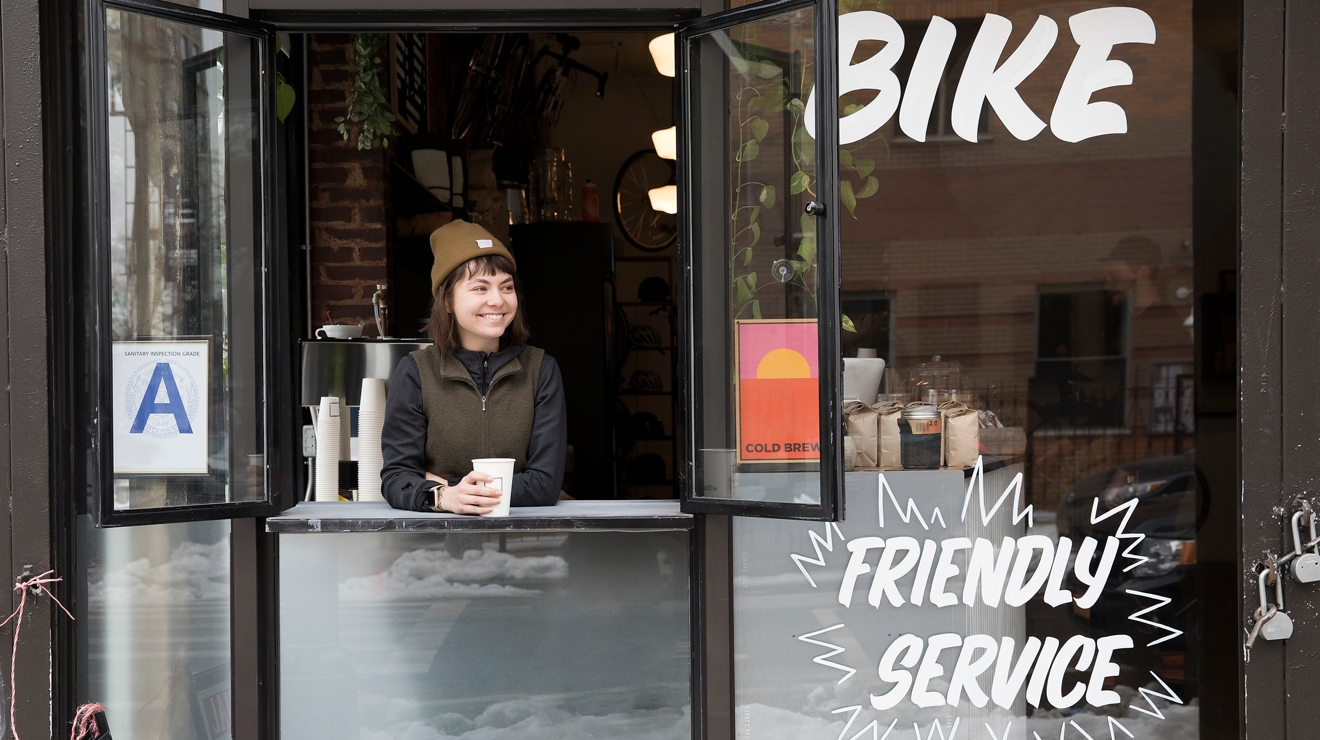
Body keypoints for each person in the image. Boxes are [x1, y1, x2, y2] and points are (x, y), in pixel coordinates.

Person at [381, 220, 566, 513]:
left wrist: (451, 486)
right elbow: (397, 479)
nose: (497, 300)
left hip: (523, 535)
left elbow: (544, 485)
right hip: (436, 537)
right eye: (480, 288)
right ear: (447, 301)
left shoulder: (541, 369)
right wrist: (445, 498)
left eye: (506, 287)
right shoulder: (416, 372)